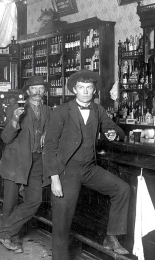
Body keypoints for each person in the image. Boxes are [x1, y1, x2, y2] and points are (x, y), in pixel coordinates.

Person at [43, 69, 130, 260]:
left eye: (89, 88)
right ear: (74, 90)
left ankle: (111, 237)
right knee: (62, 223)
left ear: (94, 91)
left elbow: (115, 129)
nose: (85, 91)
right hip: (66, 171)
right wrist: (54, 178)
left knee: (122, 189)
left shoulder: (98, 110)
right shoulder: (61, 111)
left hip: (89, 168)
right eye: (81, 88)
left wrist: (114, 134)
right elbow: (49, 147)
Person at [0, 75, 51, 253]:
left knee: (34, 200)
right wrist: (14, 121)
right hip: (15, 161)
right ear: (28, 91)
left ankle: (5, 232)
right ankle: (12, 236)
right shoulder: (16, 108)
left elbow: (52, 130)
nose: (38, 92)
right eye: (34, 88)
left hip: (37, 161)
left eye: (41, 88)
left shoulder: (48, 110)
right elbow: (6, 137)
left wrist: (46, 133)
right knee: (10, 202)